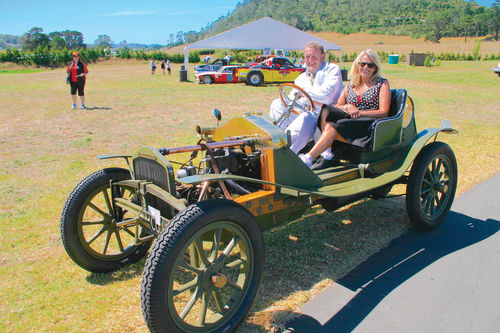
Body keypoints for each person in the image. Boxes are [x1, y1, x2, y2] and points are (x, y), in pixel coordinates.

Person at [299, 49, 391, 169]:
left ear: (375, 68)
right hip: (349, 121)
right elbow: (337, 106)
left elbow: (384, 112)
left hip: (368, 123)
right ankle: (327, 152)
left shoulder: (381, 84)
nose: (366, 67)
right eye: (362, 64)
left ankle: (308, 158)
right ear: (357, 65)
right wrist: (349, 107)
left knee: (332, 127)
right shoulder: (350, 85)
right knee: (326, 110)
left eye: (370, 65)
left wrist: (359, 113)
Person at [269, 41, 343, 154]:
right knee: (277, 104)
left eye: (314, 57)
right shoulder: (301, 77)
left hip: (322, 115)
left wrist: (304, 94)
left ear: (323, 57)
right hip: (302, 110)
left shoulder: (332, 70)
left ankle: (287, 153)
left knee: (305, 117)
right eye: (307, 57)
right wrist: (293, 100)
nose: (310, 60)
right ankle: (277, 140)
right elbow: (292, 97)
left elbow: (327, 95)